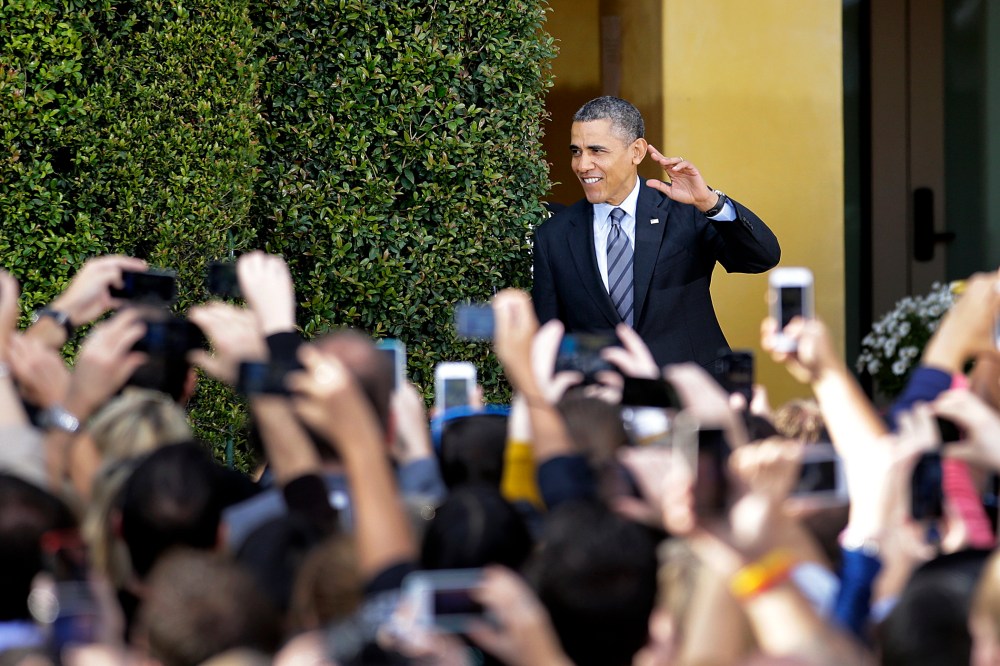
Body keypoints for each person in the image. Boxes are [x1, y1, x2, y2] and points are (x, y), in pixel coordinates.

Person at [532, 96, 781, 369]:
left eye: (597, 151)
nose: (582, 165)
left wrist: (711, 203)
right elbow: (552, 337)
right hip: (604, 399)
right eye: (576, 151)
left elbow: (761, 257)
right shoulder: (554, 236)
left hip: (690, 394)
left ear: (636, 152)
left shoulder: (685, 211)